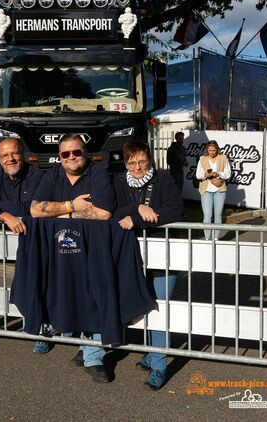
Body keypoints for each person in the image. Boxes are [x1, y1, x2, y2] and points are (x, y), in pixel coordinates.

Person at [29, 133, 115, 383]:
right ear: (59, 156)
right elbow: (35, 209)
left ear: (85, 152)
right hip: (60, 253)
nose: (71, 157)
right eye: (65, 153)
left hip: (92, 251)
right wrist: (72, 206)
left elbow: (104, 213)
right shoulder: (52, 175)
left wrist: (58, 216)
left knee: (93, 298)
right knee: (67, 296)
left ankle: (94, 358)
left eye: (76, 152)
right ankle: (81, 345)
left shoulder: (97, 174)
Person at [112, 139, 183, 390]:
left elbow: (175, 210)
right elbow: (114, 210)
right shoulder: (120, 181)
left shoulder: (164, 179)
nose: (138, 167)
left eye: (142, 161)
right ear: (126, 163)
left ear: (149, 159)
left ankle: (159, 366)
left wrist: (140, 221)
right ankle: (152, 352)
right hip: (132, 257)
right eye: (132, 162)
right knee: (142, 306)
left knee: (159, 310)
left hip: (163, 256)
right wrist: (137, 210)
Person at [0, 137, 46, 352]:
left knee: (37, 283)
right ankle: (33, 323)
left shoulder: (36, 174)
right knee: (21, 284)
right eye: (4, 155)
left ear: (22, 154)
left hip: (35, 240)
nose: (10, 159)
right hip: (8, 239)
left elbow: (29, 207)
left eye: (14, 153)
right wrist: (5, 215)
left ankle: (41, 330)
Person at [195, 140, 231, 240]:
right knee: (207, 215)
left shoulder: (223, 158)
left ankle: (216, 238)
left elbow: (228, 174)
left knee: (218, 215)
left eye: (214, 150)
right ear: (207, 150)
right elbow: (198, 175)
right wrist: (205, 175)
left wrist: (218, 174)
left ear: (217, 150)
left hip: (220, 189)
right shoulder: (202, 159)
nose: (212, 152)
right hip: (206, 189)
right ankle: (207, 238)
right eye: (210, 150)